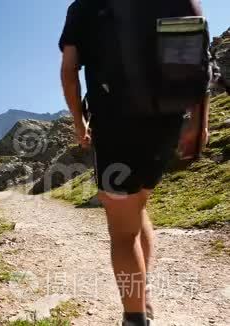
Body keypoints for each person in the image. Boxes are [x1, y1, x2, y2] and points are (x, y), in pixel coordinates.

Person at [59, 1, 210, 325]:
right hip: (167, 122)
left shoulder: (84, 5)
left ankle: (135, 316)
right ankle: (143, 294)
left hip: (115, 128)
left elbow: (69, 69)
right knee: (138, 203)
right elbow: (197, 61)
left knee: (123, 231)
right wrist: (199, 123)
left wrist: (78, 122)